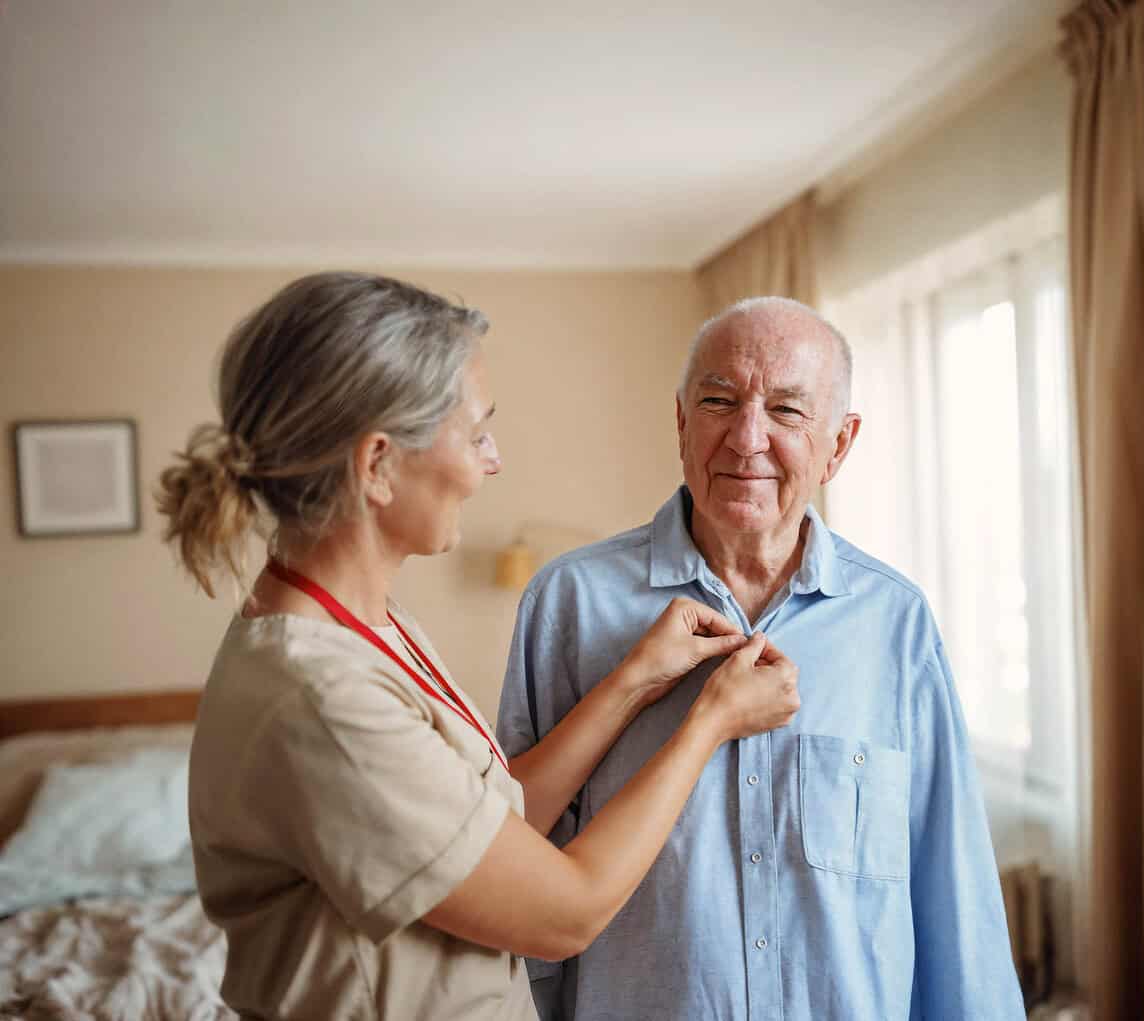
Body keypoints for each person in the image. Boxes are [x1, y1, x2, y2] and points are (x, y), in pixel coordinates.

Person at [156, 272, 801, 1021]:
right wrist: (710, 722)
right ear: (376, 464)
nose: (492, 462)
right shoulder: (321, 697)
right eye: (475, 434)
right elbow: (565, 912)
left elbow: (497, 822)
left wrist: (633, 681)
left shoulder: (366, 623)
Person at [497, 295, 1026, 1020]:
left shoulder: (895, 623)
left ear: (839, 444)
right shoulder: (569, 604)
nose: (747, 439)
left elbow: (952, 894)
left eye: (786, 411)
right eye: (720, 400)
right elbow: (518, 874)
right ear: (682, 421)